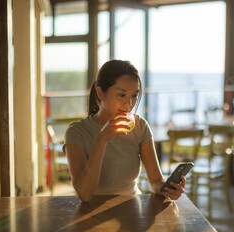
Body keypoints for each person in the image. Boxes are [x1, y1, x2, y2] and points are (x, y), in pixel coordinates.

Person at [63, 59, 186, 202]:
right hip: (90, 212)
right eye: (122, 95)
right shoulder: (77, 132)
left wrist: (167, 188)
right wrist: (102, 139)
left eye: (134, 95)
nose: (129, 104)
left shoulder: (140, 127)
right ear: (100, 93)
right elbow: (84, 194)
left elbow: (156, 180)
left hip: (132, 208)